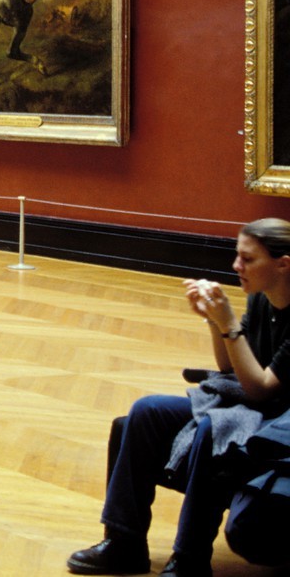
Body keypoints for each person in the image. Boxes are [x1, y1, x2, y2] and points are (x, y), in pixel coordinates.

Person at [67, 219, 290, 577]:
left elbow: (263, 389)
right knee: (146, 411)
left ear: (283, 264)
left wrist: (230, 325)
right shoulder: (263, 300)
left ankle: (189, 559)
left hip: (279, 429)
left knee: (212, 429)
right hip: (254, 409)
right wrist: (214, 321)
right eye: (237, 256)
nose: (236, 266)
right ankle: (124, 542)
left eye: (248, 259)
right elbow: (229, 368)